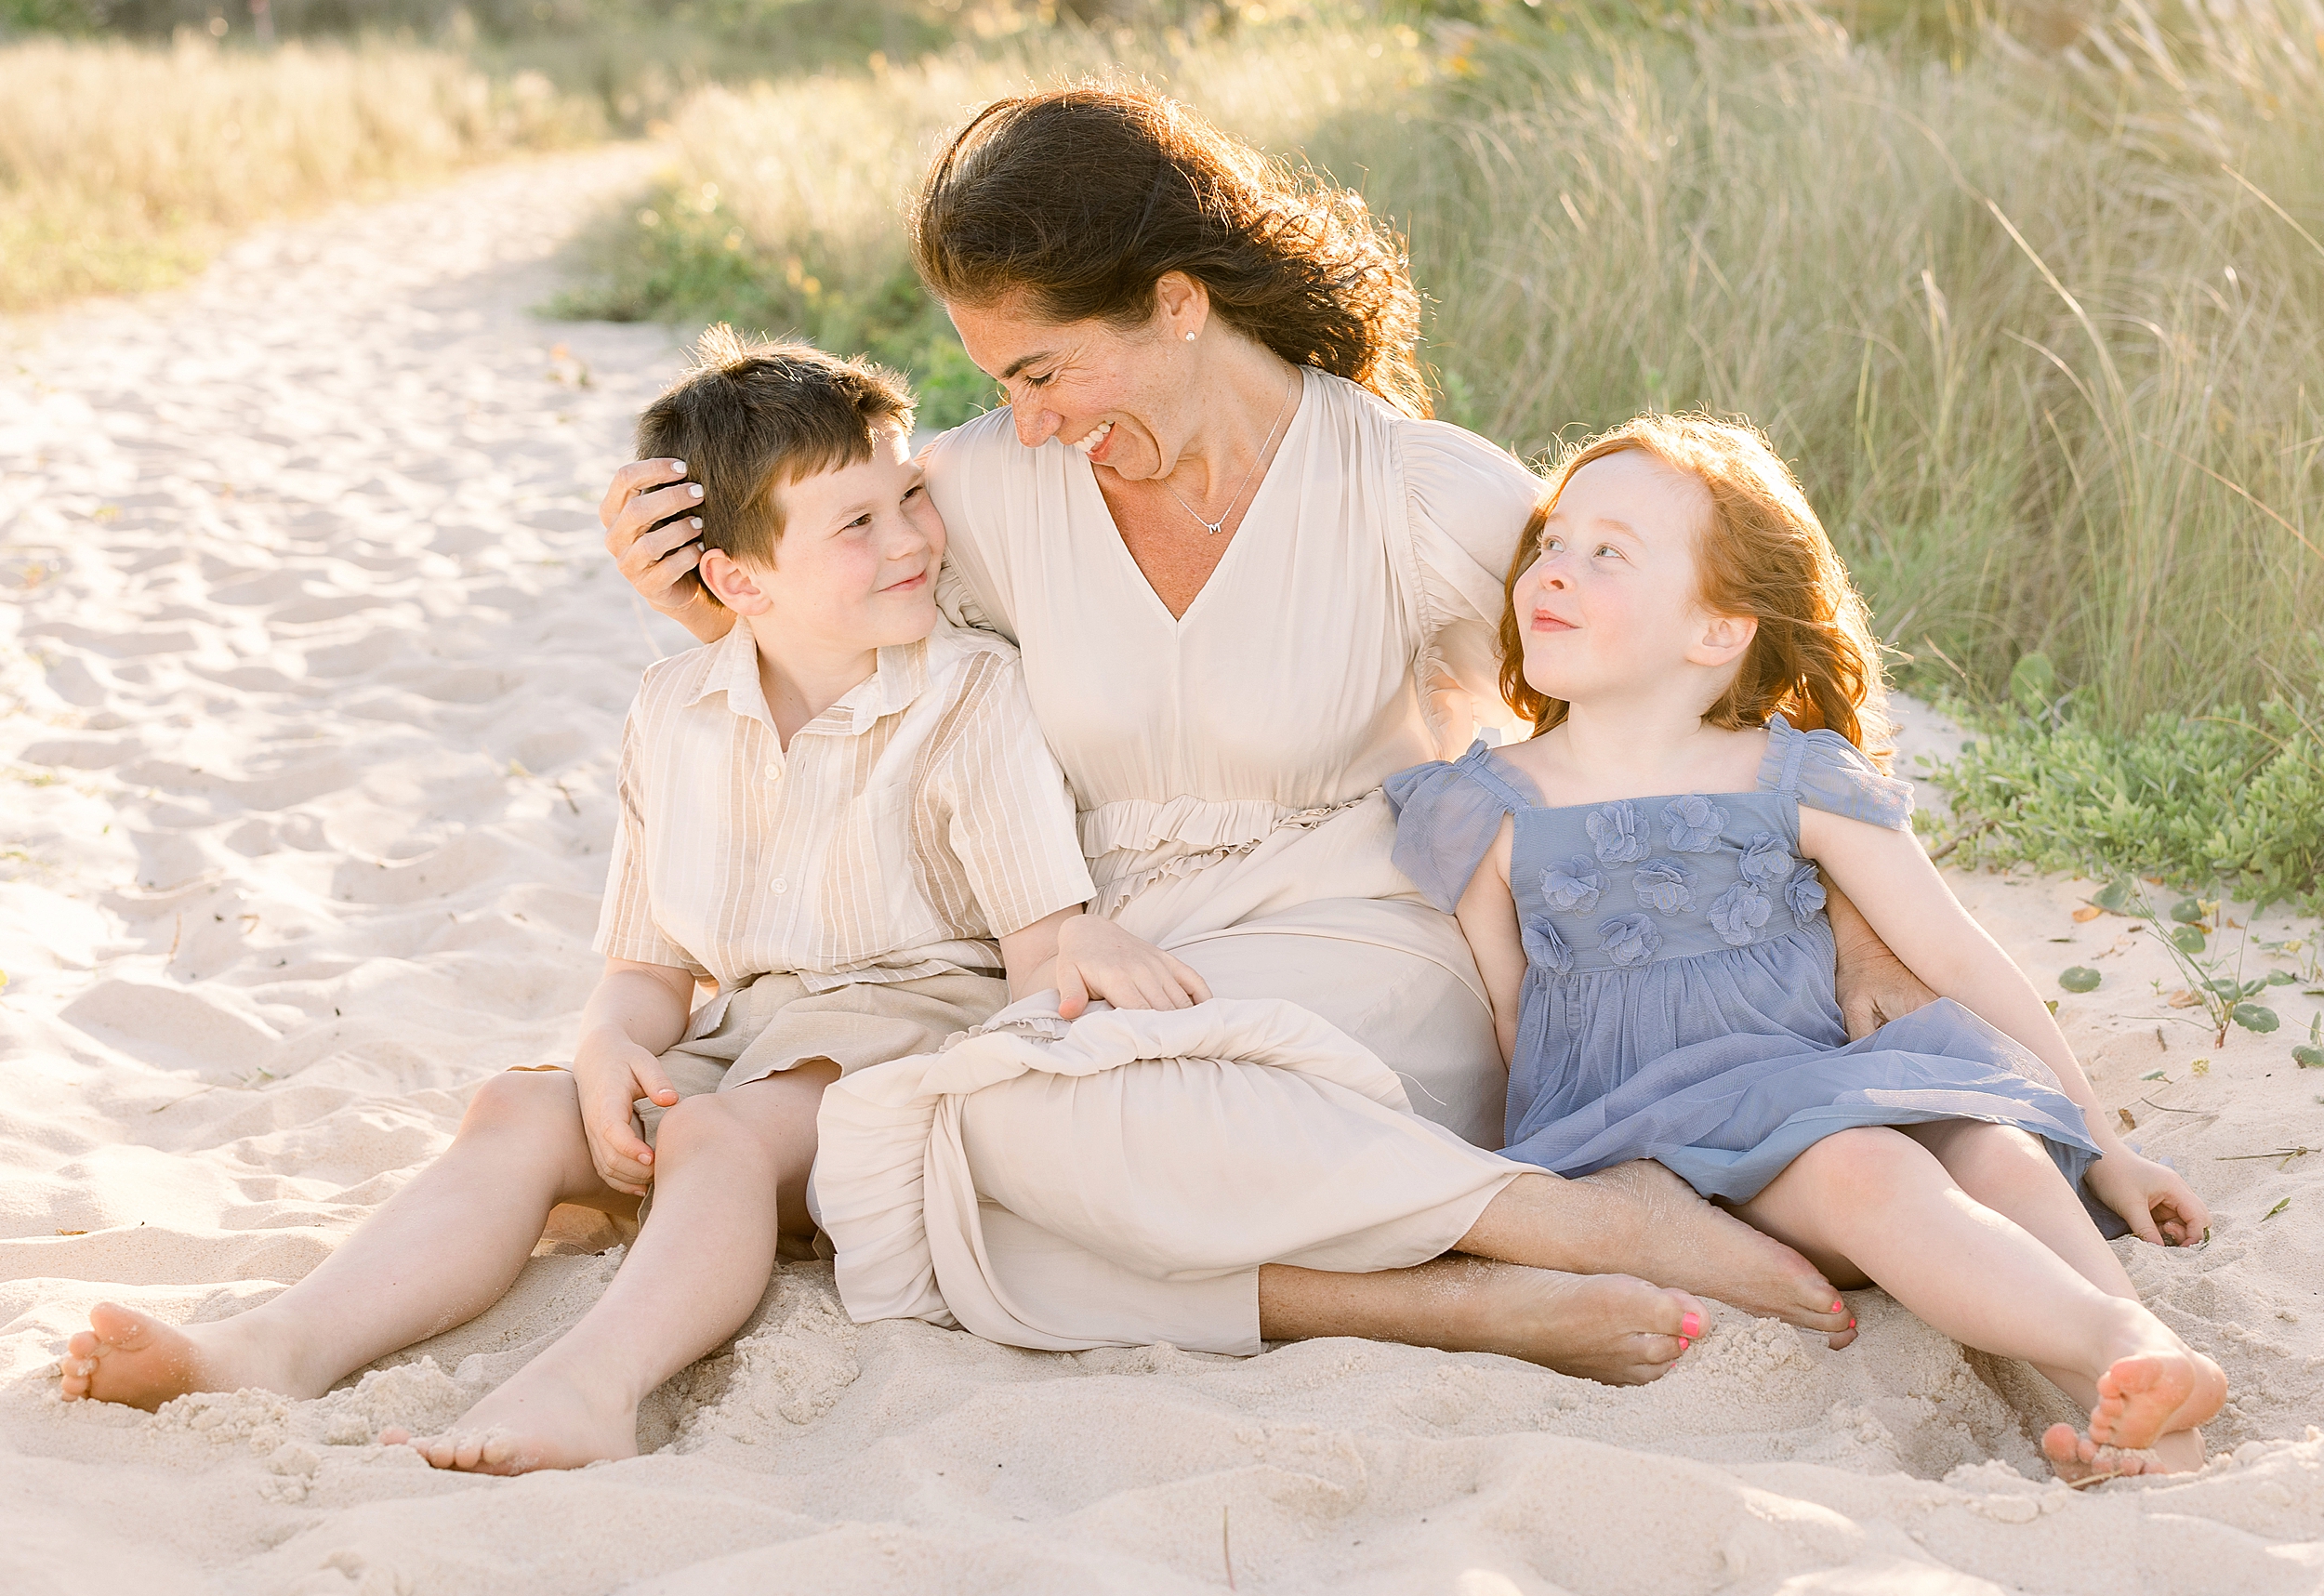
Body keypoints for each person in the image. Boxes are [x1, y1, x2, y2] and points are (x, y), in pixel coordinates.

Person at [600, 86, 1924, 1375]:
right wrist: (713, 612)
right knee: (961, 1145)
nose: (1030, 416)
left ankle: (1546, 1222)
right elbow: (837, 637)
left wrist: (1862, 922)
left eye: (1046, 368)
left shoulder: (1410, 490)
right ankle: (1478, 1288)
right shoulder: (986, 491)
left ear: (1178, 304)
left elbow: (1713, 674)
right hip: (1112, 959)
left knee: (1007, 1131)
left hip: (1367, 939)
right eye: (1002, 381)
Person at [58, 334, 1202, 1472]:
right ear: (739, 580)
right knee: (520, 1107)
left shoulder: (970, 695)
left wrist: (1085, 942)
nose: (909, 539)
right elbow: (651, 969)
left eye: (910, 496)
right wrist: (606, 1046)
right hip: (747, 1036)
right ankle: (275, 1346)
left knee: (716, 1131)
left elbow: (1033, 941)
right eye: (857, 524)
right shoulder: (675, 710)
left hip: (898, 1039)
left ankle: (590, 1386)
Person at [1384, 411, 2224, 1475]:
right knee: (1866, 1165)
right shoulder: (1489, 806)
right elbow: (1512, 1026)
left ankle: (2146, 1401)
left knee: (1996, 1148)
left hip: (1824, 1086)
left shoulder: (1792, 777)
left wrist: (2107, 1147)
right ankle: (2119, 1347)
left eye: (1607, 555)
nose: (1552, 569)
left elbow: (1960, 958)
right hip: (1667, 1141)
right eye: (1551, 542)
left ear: (1717, 630)